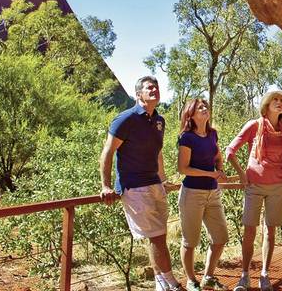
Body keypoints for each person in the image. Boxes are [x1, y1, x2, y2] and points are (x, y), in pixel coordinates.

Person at [99, 76, 183, 291]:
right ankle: (172, 283)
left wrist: (163, 180)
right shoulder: (125, 119)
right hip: (134, 186)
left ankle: (160, 283)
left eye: (156, 87)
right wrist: (106, 186)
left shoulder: (159, 120)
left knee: (159, 235)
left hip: (155, 184)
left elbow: (158, 153)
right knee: (156, 238)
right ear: (138, 95)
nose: (154, 89)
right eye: (149, 87)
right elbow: (108, 152)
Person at [225, 90, 282, 291]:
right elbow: (230, 151)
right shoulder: (254, 126)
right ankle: (244, 276)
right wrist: (241, 174)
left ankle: (264, 274)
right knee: (249, 230)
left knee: (270, 231)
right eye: (276, 99)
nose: (279, 103)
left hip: (278, 186)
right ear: (267, 103)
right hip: (253, 185)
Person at [177, 99, 235, 291]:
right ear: (190, 114)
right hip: (192, 193)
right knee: (190, 241)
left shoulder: (212, 134)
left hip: (213, 193)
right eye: (199, 107)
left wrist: (219, 169)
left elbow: (217, 156)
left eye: (205, 107)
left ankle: (208, 277)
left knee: (221, 237)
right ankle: (192, 280)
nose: (204, 109)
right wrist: (211, 173)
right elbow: (183, 168)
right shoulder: (186, 137)